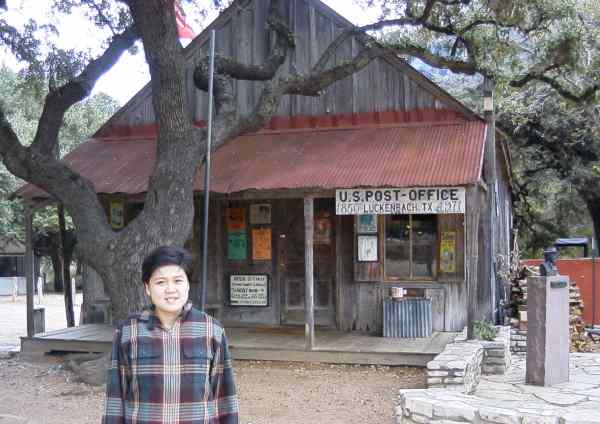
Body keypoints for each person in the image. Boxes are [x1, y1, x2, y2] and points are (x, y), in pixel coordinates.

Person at [102, 246, 239, 424]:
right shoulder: (128, 332)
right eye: (160, 282)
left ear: (188, 285)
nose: (170, 289)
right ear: (147, 288)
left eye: (178, 281)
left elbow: (225, 397)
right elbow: (115, 398)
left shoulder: (211, 330)